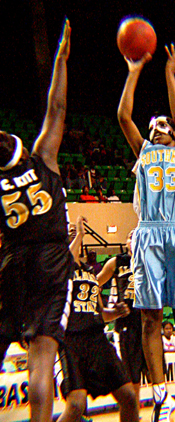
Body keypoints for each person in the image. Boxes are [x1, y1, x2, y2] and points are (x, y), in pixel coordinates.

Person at [117, 43, 175, 422]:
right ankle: (161, 395)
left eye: (165, 123)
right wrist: (134, 69)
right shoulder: (144, 152)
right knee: (150, 318)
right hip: (150, 235)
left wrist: (169, 73)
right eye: (154, 125)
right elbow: (123, 115)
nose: (159, 126)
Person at [0, 19, 73, 422]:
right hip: (49, 260)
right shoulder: (43, 157)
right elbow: (57, 107)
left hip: (12, 263)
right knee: (41, 363)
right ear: (23, 149)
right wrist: (61, 58)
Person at [56, 216, 139, 422]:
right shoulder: (59, 266)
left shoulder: (89, 272)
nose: (75, 237)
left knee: (128, 396)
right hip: (71, 340)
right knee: (76, 405)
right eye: (71, 235)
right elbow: (68, 258)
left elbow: (99, 312)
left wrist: (116, 313)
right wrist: (80, 234)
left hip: (97, 339)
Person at [97, 230, 149, 416]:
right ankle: (132, 414)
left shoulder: (151, 259)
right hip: (126, 323)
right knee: (131, 375)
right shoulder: (116, 262)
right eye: (129, 236)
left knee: (151, 372)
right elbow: (94, 284)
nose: (132, 239)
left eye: (136, 236)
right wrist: (105, 310)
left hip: (148, 322)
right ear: (126, 242)